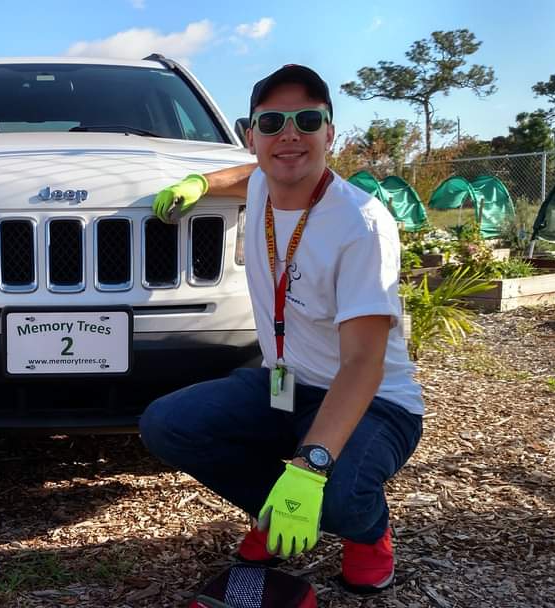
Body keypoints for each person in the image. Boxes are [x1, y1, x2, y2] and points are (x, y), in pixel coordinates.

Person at [141, 65, 424, 594]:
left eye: (307, 121)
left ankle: (367, 531)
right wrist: (199, 183)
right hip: (286, 386)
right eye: (272, 122)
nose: (289, 135)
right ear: (252, 137)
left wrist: (309, 468)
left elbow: (363, 363)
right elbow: (242, 176)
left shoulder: (361, 225)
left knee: (337, 498)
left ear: (330, 133)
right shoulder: (260, 184)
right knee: (168, 424)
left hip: (374, 401)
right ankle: (277, 512)